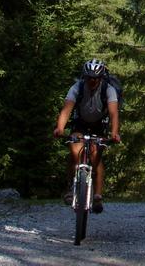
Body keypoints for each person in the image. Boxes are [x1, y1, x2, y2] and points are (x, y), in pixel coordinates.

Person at [53, 58, 121, 213]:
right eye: (89, 77)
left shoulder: (108, 90)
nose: (92, 80)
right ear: (84, 76)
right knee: (74, 151)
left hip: (99, 125)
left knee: (96, 157)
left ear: (101, 77)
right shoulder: (77, 87)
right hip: (80, 123)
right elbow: (66, 110)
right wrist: (60, 128)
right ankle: (71, 188)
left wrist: (114, 133)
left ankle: (97, 195)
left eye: (95, 78)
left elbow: (113, 113)